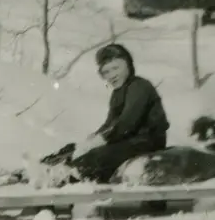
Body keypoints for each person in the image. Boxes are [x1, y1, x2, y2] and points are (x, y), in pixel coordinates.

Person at [40, 43, 170, 185]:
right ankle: (45, 168)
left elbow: (128, 122)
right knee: (73, 148)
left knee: (98, 156)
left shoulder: (139, 87)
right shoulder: (117, 93)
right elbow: (110, 123)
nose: (112, 75)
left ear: (128, 66)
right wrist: (92, 140)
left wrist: (100, 140)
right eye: (106, 72)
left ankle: (66, 177)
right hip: (126, 139)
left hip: (147, 141)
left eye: (116, 68)